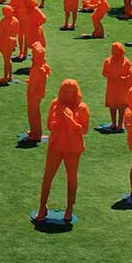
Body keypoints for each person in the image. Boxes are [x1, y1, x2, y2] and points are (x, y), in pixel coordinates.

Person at [36, 80, 90, 223]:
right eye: (64, 92)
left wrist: (73, 124)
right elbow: (49, 124)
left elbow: (84, 129)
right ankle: (42, 205)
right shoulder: (55, 104)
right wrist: (56, 124)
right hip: (56, 145)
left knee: (71, 178)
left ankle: (70, 207)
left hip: (73, 148)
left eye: (70, 93)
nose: (66, 95)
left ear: (75, 93)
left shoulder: (82, 108)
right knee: (48, 175)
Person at [102, 42, 132, 130]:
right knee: (112, 106)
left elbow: (130, 74)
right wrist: (112, 76)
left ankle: (120, 124)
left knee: (121, 106)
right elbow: (104, 73)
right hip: (112, 87)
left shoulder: (126, 62)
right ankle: (113, 123)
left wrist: (124, 78)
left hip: (122, 87)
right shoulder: (108, 61)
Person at [25, 42, 51, 143]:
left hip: (34, 94)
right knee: (33, 113)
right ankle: (34, 131)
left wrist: (30, 92)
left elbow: (36, 82)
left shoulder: (39, 68)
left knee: (33, 114)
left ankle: (36, 134)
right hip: (37, 93)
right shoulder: (41, 66)